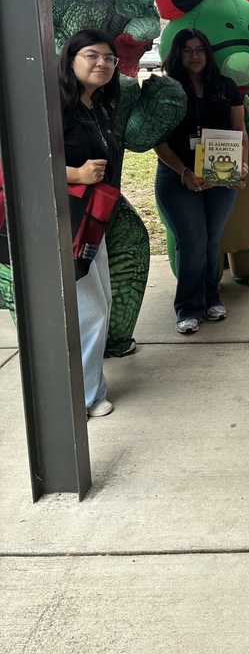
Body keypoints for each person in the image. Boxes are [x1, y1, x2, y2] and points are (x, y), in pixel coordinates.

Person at [154, 29, 248, 334]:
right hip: (177, 176)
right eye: (187, 50)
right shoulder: (165, 90)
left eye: (200, 50)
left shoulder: (226, 86)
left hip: (219, 174)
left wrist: (243, 164)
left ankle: (210, 298)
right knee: (192, 240)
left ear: (208, 53)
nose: (194, 56)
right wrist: (184, 172)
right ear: (177, 55)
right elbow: (158, 140)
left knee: (211, 239)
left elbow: (239, 131)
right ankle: (188, 307)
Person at [59, 29, 122, 417]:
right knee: (91, 310)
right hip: (61, 223)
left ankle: (91, 389)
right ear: (71, 61)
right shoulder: (54, 105)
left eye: (109, 58)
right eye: (92, 55)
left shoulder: (93, 106)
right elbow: (18, 161)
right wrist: (76, 175)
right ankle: (81, 399)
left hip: (90, 222)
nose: (102, 63)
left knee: (102, 303)